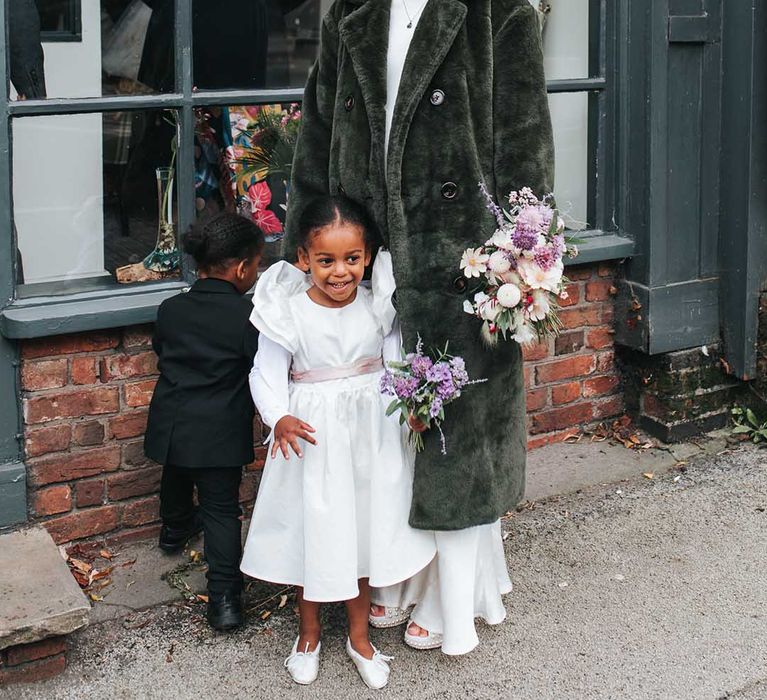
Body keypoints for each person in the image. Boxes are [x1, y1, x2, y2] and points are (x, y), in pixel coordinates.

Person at [282, 0, 555, 655]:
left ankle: (451, 596)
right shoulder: (349, 10)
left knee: (456, 431)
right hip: (364, 254)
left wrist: (523, 259)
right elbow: (320, 127)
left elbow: (525, 141)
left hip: (463, 257)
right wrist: (306, 248)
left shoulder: (499, 12)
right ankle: (399, 578)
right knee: (388, 425)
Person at [240, 196, 435, 689]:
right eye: (326, 261)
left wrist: (411, 401)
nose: (340, 272)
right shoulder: (288, 312)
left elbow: (394, 358)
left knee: (364, 529)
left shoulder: (376, 305)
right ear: (304, 259)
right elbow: (264, 373)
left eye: (351, 259)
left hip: (371, 431)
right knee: (319, 528)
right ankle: (308, 635)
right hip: (315, 437)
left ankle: (359, 636)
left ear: (366, 256)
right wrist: (278, 415)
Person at [144, 213, 264, 631]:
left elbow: (163, 350)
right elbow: (257, 367)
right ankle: (225, 600)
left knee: (175, 476)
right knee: (220, 511)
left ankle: (173, 532)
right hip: (219, 429)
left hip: (173, 421)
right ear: (242, 268)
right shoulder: (249, 317)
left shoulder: (170, 309)